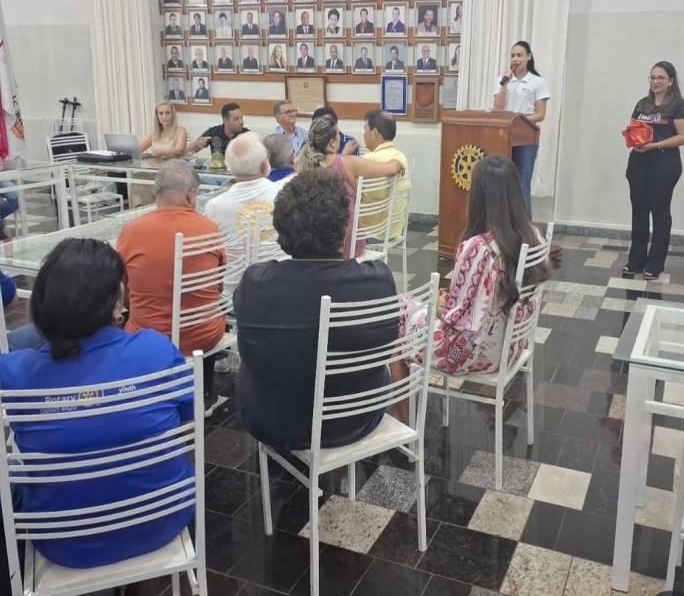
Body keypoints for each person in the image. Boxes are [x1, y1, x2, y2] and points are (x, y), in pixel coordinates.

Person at [0, 239, 195, 567]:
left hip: (64, 543)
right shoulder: (155, 351)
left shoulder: (15, 373)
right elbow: (187, 414)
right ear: (117, 305)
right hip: (162, 519)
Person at [234, 170, 398, 450]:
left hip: (273, 422)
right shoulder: (378, 279)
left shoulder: (256, 283)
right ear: (344, 229)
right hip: (355, 418)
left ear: (281, 228)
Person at [406, 156, 549, 377]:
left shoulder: (479, 248)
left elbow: (458, 319)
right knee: (412, 309)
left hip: (470, 353)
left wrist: (438, 306)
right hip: (511, 346)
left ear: (478, 197)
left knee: (398, 317)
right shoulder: (534, 235)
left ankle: (404, 400)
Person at [116, 161, 227, 415]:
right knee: (210, 308)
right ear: (191, 194)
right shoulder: (208, 228)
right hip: (202, 334)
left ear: (157, 193)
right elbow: (218, 287)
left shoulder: (131, 231)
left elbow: (124, 291)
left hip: (147, 334)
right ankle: (204, 395)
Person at [297, 115, 402, 258]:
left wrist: (344, 155)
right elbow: (391, 168)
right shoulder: (349, 163)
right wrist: (398, 162)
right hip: (347, 244)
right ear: (332, 142)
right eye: (338, 135)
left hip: (311, 243)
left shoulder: (303, 164)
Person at [624, 61, 684, 278]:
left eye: (660, 77)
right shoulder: (642, 103)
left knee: (660, 212)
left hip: (664, 164)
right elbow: (634, 128)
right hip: (639, 163)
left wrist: (656, 145)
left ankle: (655, 264)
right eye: (652, 77)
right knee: (639, 211)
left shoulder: (679, 105)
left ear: (670, 81)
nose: (655, 81)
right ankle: (636, 261)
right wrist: (630, 136)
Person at [205, 133, 281, 294]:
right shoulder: (284, 194)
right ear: (264, 166)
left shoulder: (214, 206)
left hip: (231, 295)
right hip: (278, 289)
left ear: (230, 168)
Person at [492, 41, 550, 218]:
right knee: (501, 184)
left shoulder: (537, 82)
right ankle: (501, 226)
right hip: (504, 137)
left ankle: (524, 230)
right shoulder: (502, 80)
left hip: (526, 140)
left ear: (529, 57)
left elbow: (540, 114)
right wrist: (504, 85)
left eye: (519, 55)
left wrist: (517, 121)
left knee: (522, 185)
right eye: (513, 56)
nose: (516, 59)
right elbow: (497, 110)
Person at [361, 110, 411, 240]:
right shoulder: (401, 157)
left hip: (371, 233)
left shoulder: (368, 159)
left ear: (375, 133)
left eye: (365, 129)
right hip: (395, 230)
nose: (363, 133)